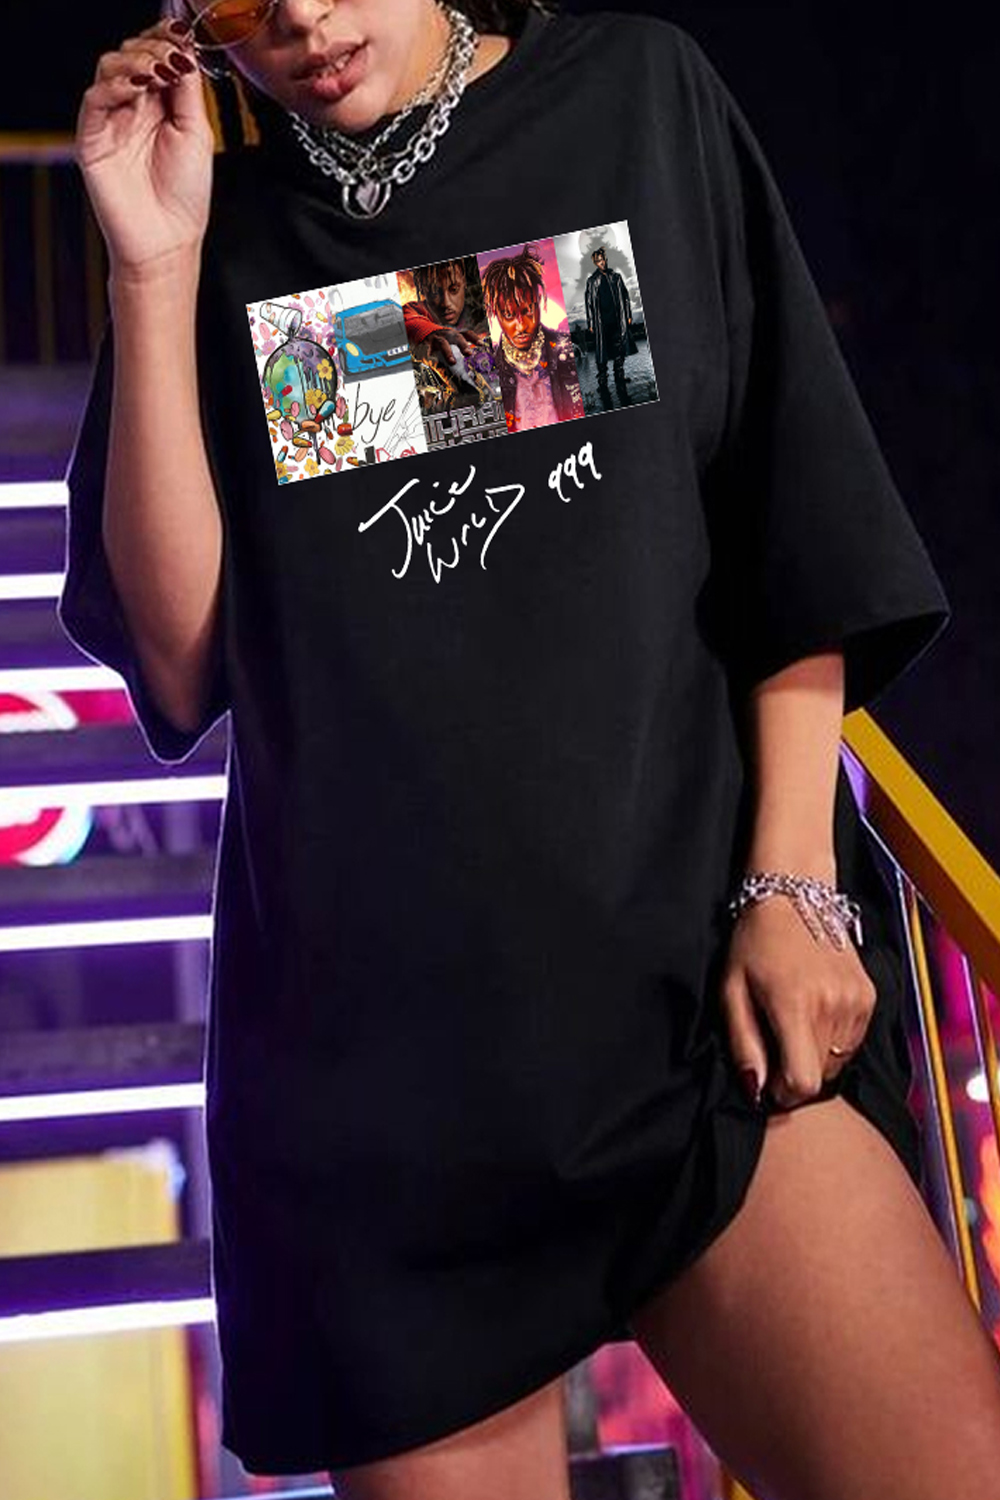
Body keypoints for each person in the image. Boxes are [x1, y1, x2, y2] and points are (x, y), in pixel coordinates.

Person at [61, 2, 1000, 1498]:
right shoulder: (213, 232)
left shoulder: (634, 99)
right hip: (381, 1101)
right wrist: (153, 271)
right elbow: (180, 663)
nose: (299, 15)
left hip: (702, 1014)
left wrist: (794, 885)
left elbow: (792, 516)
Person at [584, 244, 637, 400]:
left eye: (603, 259)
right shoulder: (592, 281)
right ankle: (603, 383)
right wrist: (591, 323)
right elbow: (589, 303)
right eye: (598, 261)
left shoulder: (616, 277)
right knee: (603, 354)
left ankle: (619, 377)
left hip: (617, 320)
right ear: (595, 263)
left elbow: (625, 297)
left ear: (606, 259)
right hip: (602, 324)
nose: (602, 263)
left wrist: (628, 314)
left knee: (619, 351)